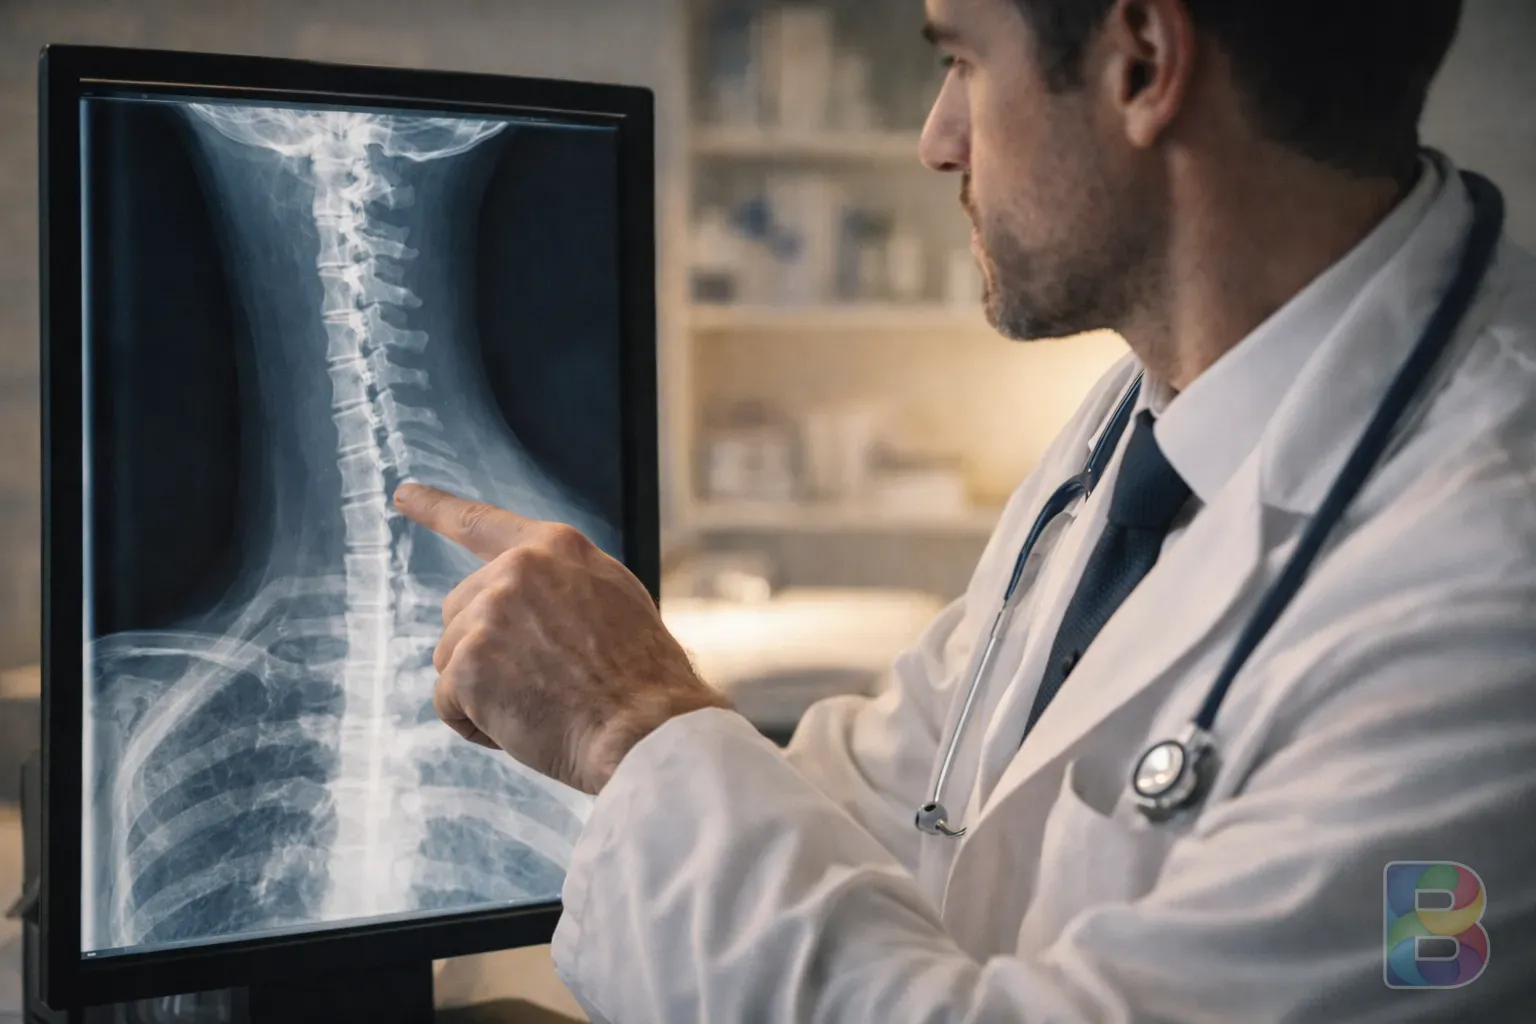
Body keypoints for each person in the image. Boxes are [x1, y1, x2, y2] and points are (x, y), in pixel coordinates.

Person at [393, 0, 1536, 1018]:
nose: (937, 139)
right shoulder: (1148, 416)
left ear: (1143, 63)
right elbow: (910, 787)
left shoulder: (1486, 594)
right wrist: (622, 750)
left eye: (963, 62)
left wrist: (629, 722)